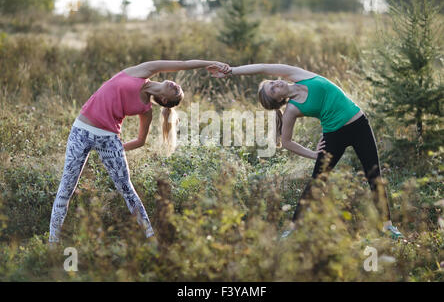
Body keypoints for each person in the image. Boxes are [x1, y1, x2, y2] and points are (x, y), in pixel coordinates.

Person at [207, 63, 403, 239]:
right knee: (317, 182)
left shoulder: (298, 74)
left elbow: (263, 68)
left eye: (272, 83)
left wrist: (231, 71)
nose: (276, 84)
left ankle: (387, 226)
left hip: (359, 124)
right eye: (273, 89)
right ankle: (294, 228)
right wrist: (314, 154)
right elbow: (286, 142)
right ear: (278, 99)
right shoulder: (292, 109)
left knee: (374, 175)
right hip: (334, 135)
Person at [49, 60, 231, 243]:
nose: (176, 85)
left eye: (176, 91)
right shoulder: (143, 72)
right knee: (66, 189)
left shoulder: (146, 110)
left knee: (127, 190)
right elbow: (182, 64)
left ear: (165, 100)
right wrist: (210, 63)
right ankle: (52, 244)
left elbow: (140, 141)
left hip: (109, 138)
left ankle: (151, 238)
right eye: (178, 87)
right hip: (81, 129)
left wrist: (116, 150)